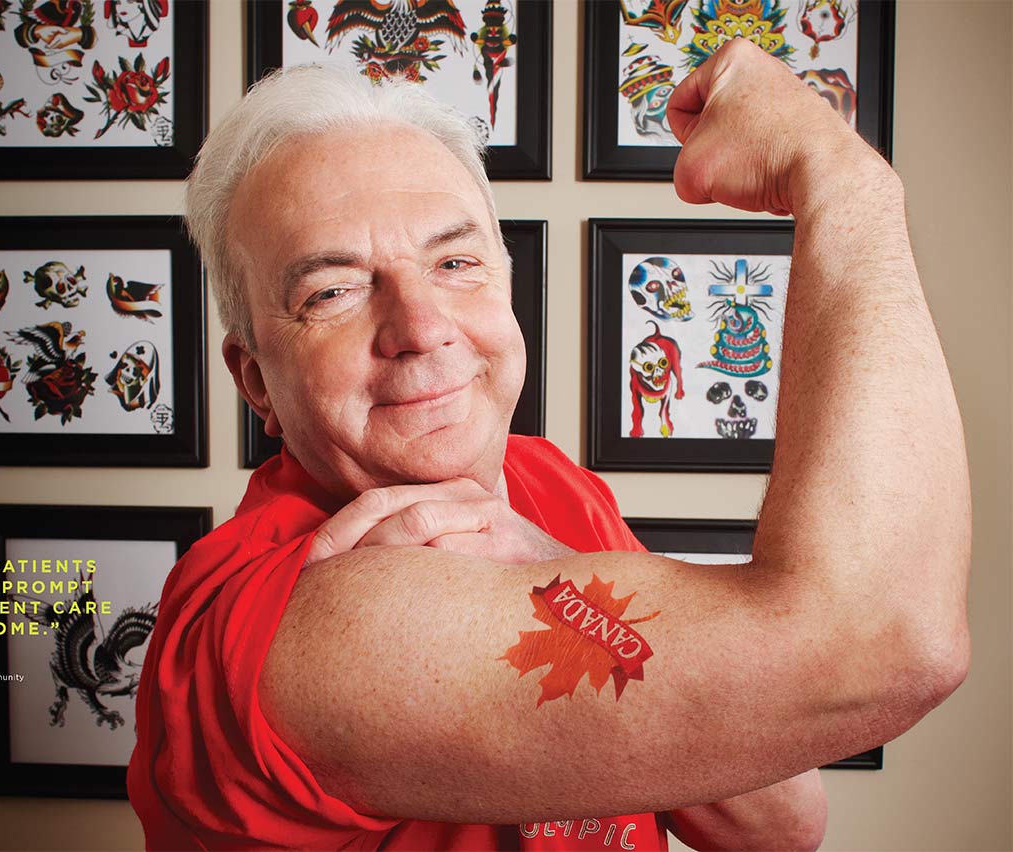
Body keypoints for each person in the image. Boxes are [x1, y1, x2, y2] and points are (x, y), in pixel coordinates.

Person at [127, 39, 971, 851]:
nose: (422, 328)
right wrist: (845, 181)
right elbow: (888, 641)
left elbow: (775, 824)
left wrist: (544, 563)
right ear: (256, 382)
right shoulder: (288, 627)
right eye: (336, 290)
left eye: (455, 264)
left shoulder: (546, 485)